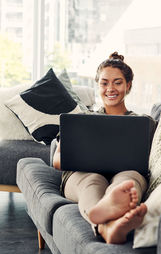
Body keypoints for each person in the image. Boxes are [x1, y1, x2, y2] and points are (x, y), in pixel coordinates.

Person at [53, 52, 149, 244]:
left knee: (128, 180)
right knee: (93, 179)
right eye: (104, 83)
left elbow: (148, 161)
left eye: (117, 82)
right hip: (83, 176)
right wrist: (84, 158)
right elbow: (57, 160)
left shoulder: (143, 123)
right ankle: (106, 224)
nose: (110, 88)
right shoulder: (82, 120)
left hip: (125, 173)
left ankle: (107, 225)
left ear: (128, 85)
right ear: (98, 85)